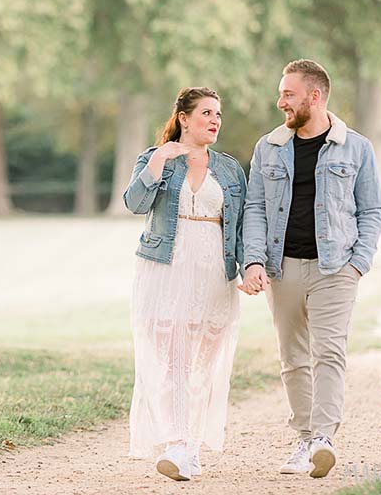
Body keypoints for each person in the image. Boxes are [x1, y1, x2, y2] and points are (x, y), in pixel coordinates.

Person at [238, 59, 381, 479]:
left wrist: (358, 263)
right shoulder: (269, 147)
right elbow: (255, 208)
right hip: (280, 269)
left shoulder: (356, 147)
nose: (280, 100)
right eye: (281, 92)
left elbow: (372, 209)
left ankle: (323, 438)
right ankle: (304, 439)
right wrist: (252, 260)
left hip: (335, 268)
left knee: (329, 353)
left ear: (314, 96)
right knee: (292, 358)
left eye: (288, 93)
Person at [123, 86, 249, 481]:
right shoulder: (156, 158)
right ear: (184, 118)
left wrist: (249, 266)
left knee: (202, 365)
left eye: (218, 115)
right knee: (170, 359)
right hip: (165, 268)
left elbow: (242, 224)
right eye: (207, 113)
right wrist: (160, 158)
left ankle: (190, 447)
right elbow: (135, 204)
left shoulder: (229, 169)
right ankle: (176, 443)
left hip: (214, 270)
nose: (215, 121)